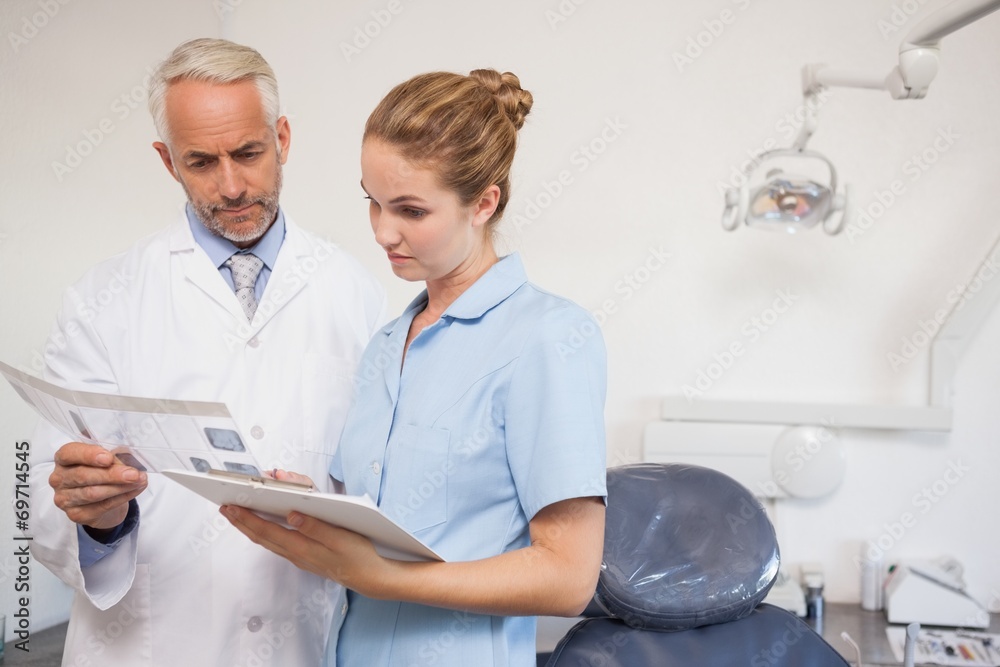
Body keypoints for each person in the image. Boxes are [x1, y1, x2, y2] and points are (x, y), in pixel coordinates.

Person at [223, 69, 608, 666]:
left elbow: (568, 577)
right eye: (373, 203)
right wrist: (311, 509)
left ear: (484, 203)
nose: (383, 231)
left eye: (411, 210)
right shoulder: (385, 344)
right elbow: (386, 528)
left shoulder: (548, 337)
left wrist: (385, 579)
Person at [28, 38, 386, 666]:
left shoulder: (357, 294)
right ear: (168, 161)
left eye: (248, 153)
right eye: (201, 162)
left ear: (282, 139)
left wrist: (333, 508)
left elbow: (384, 489)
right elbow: (41, 494)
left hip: (297, 645)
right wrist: (98, 517)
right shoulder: (103, 300)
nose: (232, 186)